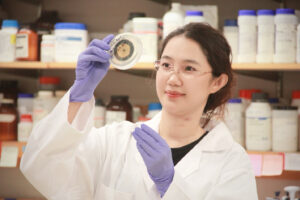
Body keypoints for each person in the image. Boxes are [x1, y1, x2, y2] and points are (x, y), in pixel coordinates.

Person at [21, 23, 258, 200]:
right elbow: (42, 167)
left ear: (217, 82)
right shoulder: (115, 141)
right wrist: (79, 93)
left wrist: (170, 186)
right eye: (166, 65)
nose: (173, 79)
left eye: (189, 68)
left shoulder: (232, 162)